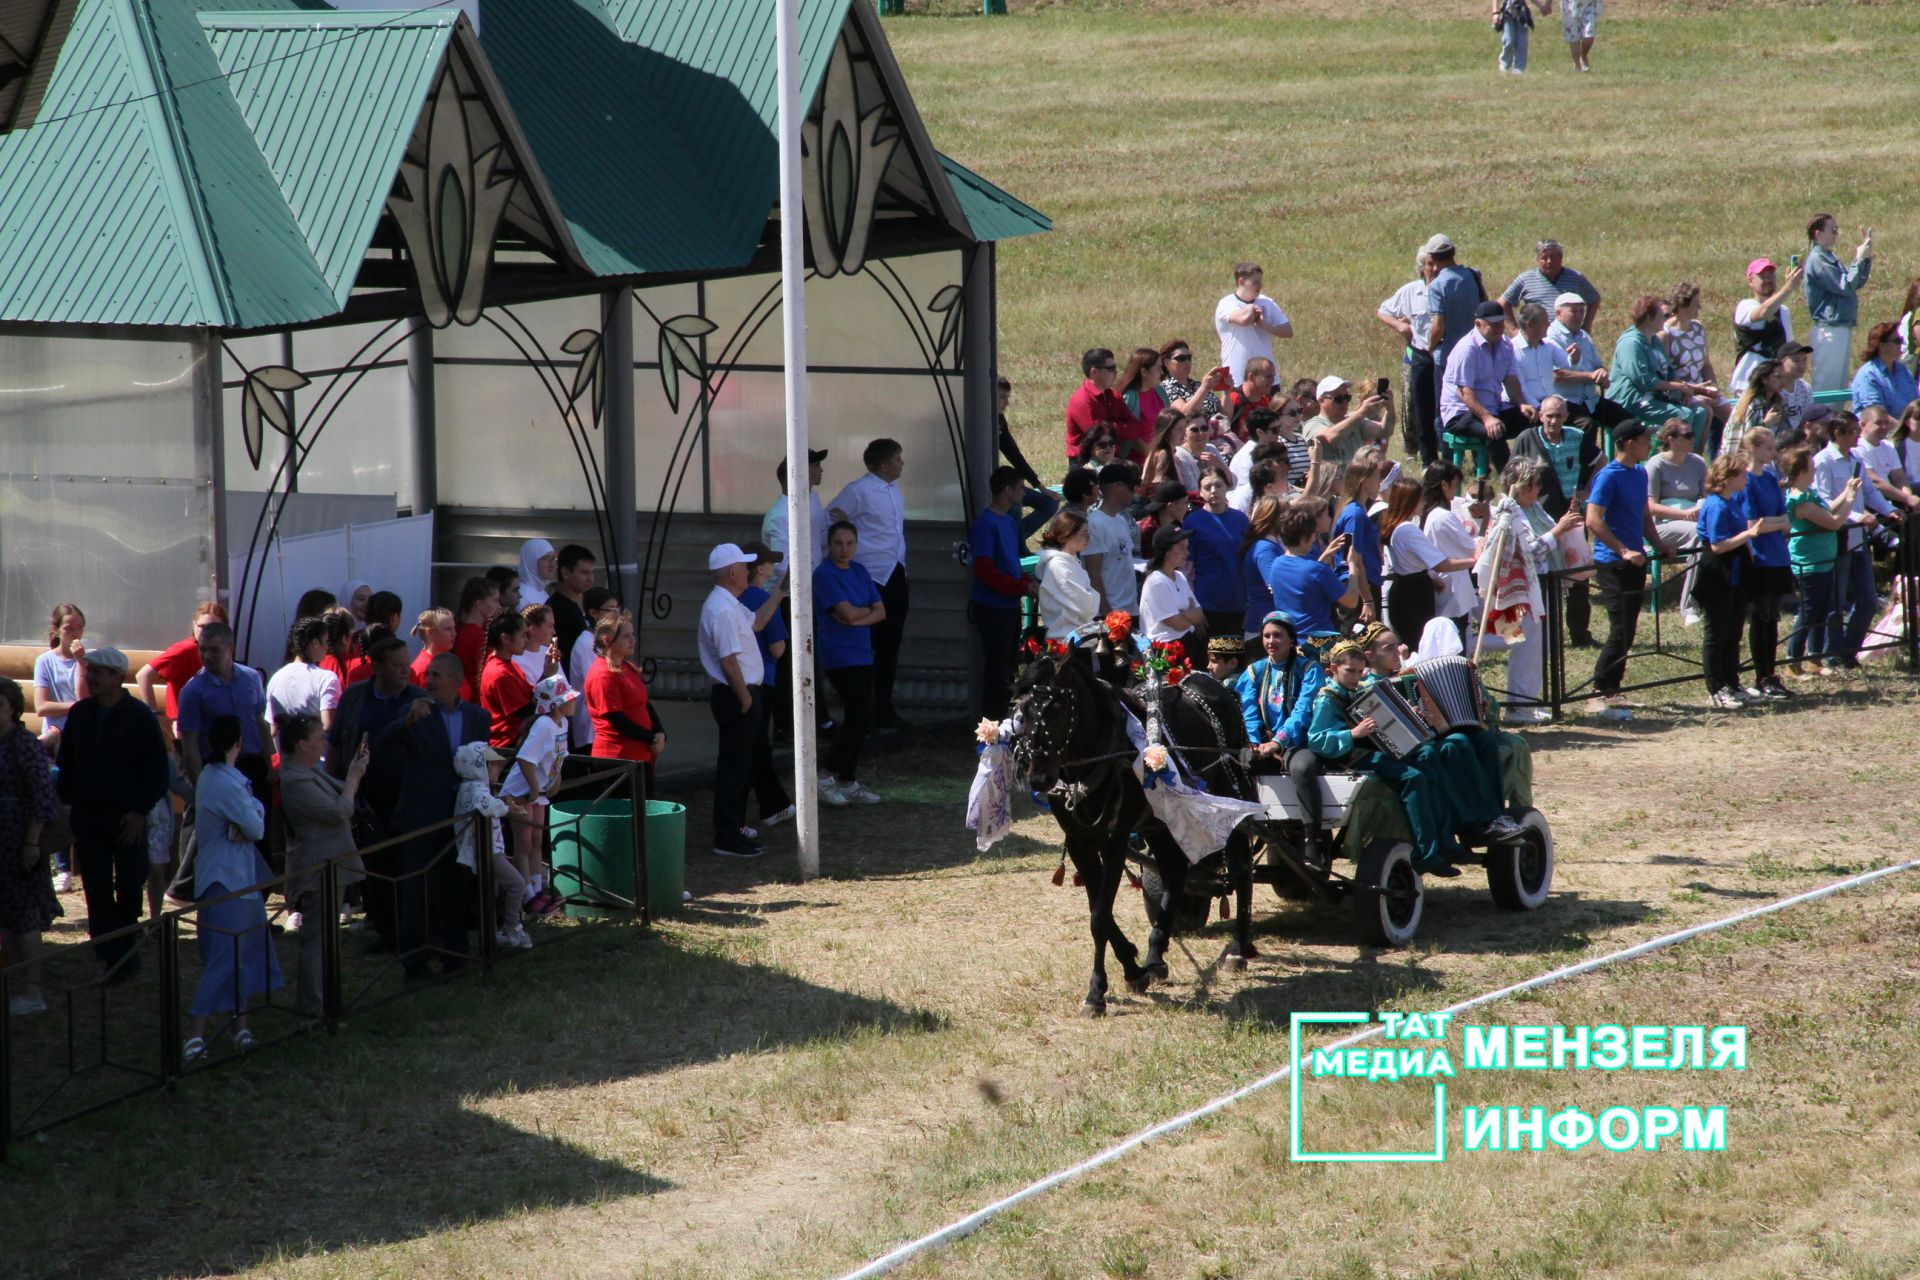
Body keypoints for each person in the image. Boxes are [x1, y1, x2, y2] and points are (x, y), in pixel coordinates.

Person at [54, 647, 168, 980]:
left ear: (118, 677)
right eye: (91, 671)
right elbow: (68, 765)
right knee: (96, 885)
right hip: (89, 816)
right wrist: (68, 806)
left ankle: (126, 947)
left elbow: (157, 772)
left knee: (131, 883)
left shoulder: (139, 717)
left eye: (100, 672)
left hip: (128, 816)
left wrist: (139, 812)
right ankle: (108, 952)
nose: (92, 677)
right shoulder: (81, 714)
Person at [181, 715, 279, 1062]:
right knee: (224, 958)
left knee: (244, 956)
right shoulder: (224, 781)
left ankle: (241, 1025)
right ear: (238, 742)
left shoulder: (217, 777)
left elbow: (249, 825)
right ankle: (195, 1034)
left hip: (239, 878)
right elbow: (255, 827)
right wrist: (251, 813)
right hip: (226, 882)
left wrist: (247, 817)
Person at [384, 653, 488, 977]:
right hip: (421, 815)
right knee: (416, 890)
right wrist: (406, 722)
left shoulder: (478, 718)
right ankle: (414, 960)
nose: (428, 681)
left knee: (454, 888)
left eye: (437, 675)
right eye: (427, 675)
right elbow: (381, 746)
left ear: (456, 681)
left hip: (460, 817)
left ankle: (454, 956)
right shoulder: (415, 712)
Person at [328, 634, 421, 946]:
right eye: (398, 665)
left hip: (406, 794)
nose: (405, 670)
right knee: (373, 860)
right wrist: (336, 785)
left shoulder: (417, 700)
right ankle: (381, 924)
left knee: (404, 859)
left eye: (407, 663)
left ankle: (405, 927)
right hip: (365, 796)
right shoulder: (356, 697)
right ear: (377, 667)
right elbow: (338, 741)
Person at [278, 712, 365, 1017]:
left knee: (327, 938)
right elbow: (339, 810)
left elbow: (340, 793)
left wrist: (355, 771)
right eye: (318, 738)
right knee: (316, 940)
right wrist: (354, 777)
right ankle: (311, 1010)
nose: (323, 743)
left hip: (332, 866)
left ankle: (326, 1002)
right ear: (302, 744)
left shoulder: (309, 771)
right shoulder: (294, 779)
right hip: (319, 869)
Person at [1585, 421, 1671, 718]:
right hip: (1612, 562)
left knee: (1629, 628)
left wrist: (1658, 545)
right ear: (1629, 443)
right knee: (1620, 627)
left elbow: (1644, 515)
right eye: (1646, 439)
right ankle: (1598, 690)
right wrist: (1622, 550)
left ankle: (1613, 688)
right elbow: (1593, 519)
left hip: (1636, 560)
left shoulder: (1638, 473)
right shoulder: (1608, 476)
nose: (1651, 443)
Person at [829, 438, 912, 731]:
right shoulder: (858, 491)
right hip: (871, 574)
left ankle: (883, 705)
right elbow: (832, 517)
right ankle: (863, 707)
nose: (901, 464)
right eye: (897, 459)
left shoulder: (893, 490)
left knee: (891, 643)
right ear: (883, 464)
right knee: (870, 642)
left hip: (895, 571)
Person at [1237, 612, 1329, 861]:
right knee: (1238, 763)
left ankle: (1313, 837)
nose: (1270, 641)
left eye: (1277, 635)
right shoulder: (1254, 672)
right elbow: (1249, 712)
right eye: (1266, 636)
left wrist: (1279, 741)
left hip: (1299, 742)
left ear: (1291, 639)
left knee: (1302, 767)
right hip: (1264, 743)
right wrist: (1255, 743)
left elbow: (1304, 710)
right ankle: (1241, 832)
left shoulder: (1308, 669)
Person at [1510, 396, 1600, 644]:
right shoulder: (1526, 439)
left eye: (1558, 416)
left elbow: (1599, 461)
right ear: (1540, 415)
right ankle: (1545, 635)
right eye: (1549, 415)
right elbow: (1511, 476)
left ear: (1566, 416)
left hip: (1571, 514)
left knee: (1578, 571)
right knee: (1543, 574)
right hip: (1539, 516)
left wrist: (1587, 489)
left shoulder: (1575, 436)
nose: (1553, 421)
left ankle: (1580, 632)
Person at [1498, 459, 1580, 720]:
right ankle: (1519, 706)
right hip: (1519, 589)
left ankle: (1529, 703)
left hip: (1540, 586)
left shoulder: (1534, 508)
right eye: (1534, 484)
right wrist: (1558, 531)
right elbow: (1529, 552)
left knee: (1536, 647)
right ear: (1520, 487)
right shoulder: (1509, 512)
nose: (1539, 489)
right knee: (1524, 646)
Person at [1812, 414, 1895, 668]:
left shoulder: (1857, 458)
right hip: (1838, 536)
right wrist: (1859, 516)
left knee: (1868, 599)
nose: (1857, 435)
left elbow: (1868, 491)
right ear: (1837, 433)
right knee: (1835, 602)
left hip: (1859, 539)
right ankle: (1833, 654)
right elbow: (1823, 501)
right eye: (1851, 431)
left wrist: (1888, 509)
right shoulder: (1822, 462)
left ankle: (1849, 649)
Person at [812, 524, 884, 809]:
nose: (844, 548)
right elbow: (847, 612)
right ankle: (826, 773)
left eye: (850, 543)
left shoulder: (860, 571)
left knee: (863, 716)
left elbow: (881, 612)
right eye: (839, 543)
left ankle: (847, 779)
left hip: (862, 653)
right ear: (829, 544)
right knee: (857, 713)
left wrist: (857, 618)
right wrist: (860, 614)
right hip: (838, 655)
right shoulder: (824, 574)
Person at [0, 676, 59, 1016]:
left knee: (24, 915)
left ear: (13, 709)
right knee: (5, 915)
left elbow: (42, 794)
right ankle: (16, 982)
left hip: (20, 837)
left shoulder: (23, 742)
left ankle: (34, 990)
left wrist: (32, 842)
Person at [500, 675, 577, 918]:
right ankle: (527, 895)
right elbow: (525, 757)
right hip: (520, 793)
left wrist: (555, 782)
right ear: (554, 704)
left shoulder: (562, 723)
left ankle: (537, 889)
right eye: (568, 698)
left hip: (540, 791)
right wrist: (534, 787)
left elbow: (559, 757)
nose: (573, 702)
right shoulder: (543, 725)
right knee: (523, 843)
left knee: (535, 840)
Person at [1782, 445, 1857, 678]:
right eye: (1812, 467)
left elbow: (1827, 510)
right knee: (1808, 613)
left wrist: (1845, 493)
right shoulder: (1800, 501)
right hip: (1810, 563)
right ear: (1802, 471)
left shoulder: (1810, 496)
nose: (1815, 471)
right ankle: (1794, 662)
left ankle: (1814, 658)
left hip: (1823, 560)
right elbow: (1833, 522)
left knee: (1821, 611)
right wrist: (1852, 501)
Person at [968, 464, 1030, 724]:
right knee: (997, 667)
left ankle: (1003, 720)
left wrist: (1024, 582)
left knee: (1008, 665)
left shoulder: (1008, 520)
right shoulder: (986, 522)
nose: (1023, 494)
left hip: (1009, 604)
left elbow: (1011, 561)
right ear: (1007, 491)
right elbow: (984, 568)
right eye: (1019, 488)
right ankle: (991, 724)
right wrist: (1018, 587)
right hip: (992, 607)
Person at [1439, 301, 1534, 470]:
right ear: (1478, 324)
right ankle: (1510, 482)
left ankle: (1532, 474)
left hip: (1492, 408)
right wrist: (1487, 418)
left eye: (1500, 323)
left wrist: (1522, 404)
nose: (1498, 328)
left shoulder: (1505, 344)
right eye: (1493, 325)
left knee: (1532, 421)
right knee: (1494, 432)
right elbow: (1464, 392)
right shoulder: (1466, 349)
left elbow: (1510, 380)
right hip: (1461, 413)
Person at [175, 622, 272, 784]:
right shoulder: (192, 691)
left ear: (231, 648)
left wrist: (269, 764)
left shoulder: (251, 678)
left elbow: (259, 722)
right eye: (202, 649)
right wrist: (200, 786)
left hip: (253, 766)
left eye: (214, 650)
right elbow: (189, 743)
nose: (206, 656)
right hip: (217, 771)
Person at [735, 547, 790, 829]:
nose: (773, 568)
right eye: (770, 563)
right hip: (763, 679)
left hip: (738, 679)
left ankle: (774, 803)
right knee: (756, 747)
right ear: (760, 568)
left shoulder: (734, 599)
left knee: (751, 746)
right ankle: (769, 806)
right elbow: (778, 648)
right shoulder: (763, 599)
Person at [1608, 295, 1714, 440]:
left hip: (1655, 397)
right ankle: (1661, 457)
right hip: (1632, 400)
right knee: (1683, 415)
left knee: (1700, 412)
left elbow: (1669, 373)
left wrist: (1687, 389)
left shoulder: (1654, 340)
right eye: (1663, 316)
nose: (1666, 320)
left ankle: (1688, 457)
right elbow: (1644, 381)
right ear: (1649, 318)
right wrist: (1678, 387)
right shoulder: (1631, 343)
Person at [1738, 429, 1794, 701]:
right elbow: (1753, 526)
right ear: (1753, 448)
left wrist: (1772, 524)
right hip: (1759, 557)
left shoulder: (1770, 478)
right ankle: (1762, 675)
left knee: (1772, 617)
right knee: (1761, 617)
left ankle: (1770, 673)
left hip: (1778, 555)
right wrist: (1773, 524)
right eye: (1769, 448)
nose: (1773, 453)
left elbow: (1784, 520)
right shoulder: (1746, 480)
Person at [585, 611, 667, 796]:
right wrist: (650, 738)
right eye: (626, 636)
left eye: (632, 635)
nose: (632, 640)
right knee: (624, 817)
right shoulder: (603, 674)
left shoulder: (627, 666)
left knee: (644, 814)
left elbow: (645, 704)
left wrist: (660, 732)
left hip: (639, 756)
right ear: (607, 640)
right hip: (617, 759)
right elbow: (616, 718)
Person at [1381, 478, 1470, 648]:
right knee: (1419, 644)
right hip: (1413, 595)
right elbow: (1442, 565)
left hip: (1408, 587)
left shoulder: (1397, 526)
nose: (1424, 503)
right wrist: (1474, 560)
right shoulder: (1407, 529)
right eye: (1420, 499)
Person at [1267, 501, 1364, 643]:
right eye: (1313, 534)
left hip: (1290, 642)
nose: (1314, 539)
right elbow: (1351, 601)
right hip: (1320, 644)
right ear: (1304, 538)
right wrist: (1353, 565)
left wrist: (1325, 556)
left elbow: (1305, 580)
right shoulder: (1317, 570)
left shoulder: (1276, 565)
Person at [1379, 249, 1441, 463]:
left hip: (1447, 356)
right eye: (1429, 264)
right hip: (1421, 355)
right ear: (1421, 268)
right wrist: (1399, 325)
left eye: (1437, 264)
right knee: (1419, 407)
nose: (1434, 269)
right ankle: (1426, 458)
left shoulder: (1451, 290)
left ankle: (1448, 451)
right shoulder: (1411, 292)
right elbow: (1383, 310)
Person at [1646, 417, 1709, 622]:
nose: (1693, 439)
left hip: (1695, 520)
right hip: (1663, 525)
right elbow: (1650, 506)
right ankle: (1689, 606)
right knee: (1700, 535)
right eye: (1687, 435)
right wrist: (1683, 514)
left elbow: (1708, 495)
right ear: (1671, 439)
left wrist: (1700, 506)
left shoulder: (1698, 462)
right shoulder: (1655, 465)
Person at [1803, 214, 1872, 394]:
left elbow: (1855, 282)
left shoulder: (1829, 256)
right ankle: (1821, 421)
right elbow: (1845, 286)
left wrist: (1865, 258)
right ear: (1818, 233)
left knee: (1840, 387)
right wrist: (1858, 258)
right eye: (1832, 230)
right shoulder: (1818, 260)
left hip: (1841, 327)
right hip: (1829, 330)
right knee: (1828, 386)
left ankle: (1835, 421)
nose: (1836, 234)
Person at [136, 601, 228, 735]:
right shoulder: (186, 649)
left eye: (214, 627)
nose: (207, 632)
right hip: (186, 725)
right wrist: (154, 715)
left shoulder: (223, 650)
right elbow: (143, 675)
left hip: (211, 722)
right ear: (194, 626)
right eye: (202, 626)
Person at [1183, 468, 1251, 640]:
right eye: (1207, 487)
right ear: (1200, 491)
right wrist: (1193, 607)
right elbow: (1186, 571)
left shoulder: (1240, 519)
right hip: (1208, 604)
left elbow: (1249, 562)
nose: (1213, 491)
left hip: (1238, 602)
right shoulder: (1193, 522)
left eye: (1218, 485)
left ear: (1226, 487)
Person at [994, 378, 1061, 541]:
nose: (1007, 403)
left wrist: (1039, 486)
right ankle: (1013, 544)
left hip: (999, 483)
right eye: (1003, 397)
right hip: (985, 487)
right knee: (1015, 508)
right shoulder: (975, 420)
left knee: (1049, 503)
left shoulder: (999, 420)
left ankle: (1015, 540)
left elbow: (1014, 455)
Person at [1421, 462, 1481, 641]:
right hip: (1453, 592)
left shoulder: (1430, 514)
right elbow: (1472, 549)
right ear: (1444, 485)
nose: (1456, 491)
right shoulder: (1443, 517)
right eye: (1454, 485)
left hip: (1445, 588)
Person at [1729, 258, 1803, 395]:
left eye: (1771, 275)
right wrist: (1789, 287)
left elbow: (1788, 349)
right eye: (1763, 276)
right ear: (1750, 281)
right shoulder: (1745, 306)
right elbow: (1763, 312)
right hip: (1749, 382)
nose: (1768, 280)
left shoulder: (1783, 311)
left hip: (1777, 383)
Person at [479, 610, 549, 752]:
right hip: (508, 746)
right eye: (523, 636)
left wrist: (547, 673)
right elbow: (526, 711)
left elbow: (532, 694)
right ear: (505, 638)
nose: (527, 640)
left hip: (517, 741)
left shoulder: (510, 665)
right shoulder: (500, 673)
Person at [266, 617, 341, 747]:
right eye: (326, 641)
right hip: (318, 762)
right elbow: (329, 725)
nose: (327, 647)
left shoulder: (276, 678)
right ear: (315, 643)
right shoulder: (326, 678)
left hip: (286, 761)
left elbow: (272, 729)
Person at [1302, 376, 1387, 488]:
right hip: (1331, 490)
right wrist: (1361, 413)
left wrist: (1388, 408)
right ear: (1321, 400)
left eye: (1347, 397)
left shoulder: (1354, 419)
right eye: (1338, 399)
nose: (1344, 402)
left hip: (1357, 486)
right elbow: (1329, 437)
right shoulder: (1313, 424)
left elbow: (1384, 431)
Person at [1425, 234, 1485, 392]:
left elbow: (1438, 326)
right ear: (1453, 252)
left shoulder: (1437, 285)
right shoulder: (1473, 275)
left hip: (1448, 356)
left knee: (1446, 406)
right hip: (1476, 350)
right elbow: (1485, 305)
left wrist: (1430, 348)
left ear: (1432, 257)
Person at [1215, 262, 1292, 382]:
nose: (1260, 286)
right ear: (1241, 282)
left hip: (1267, 379)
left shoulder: (1267, 302)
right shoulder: (1227, 303)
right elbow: (1243, 320)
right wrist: (1251, 308)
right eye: (1255, 282)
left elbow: (1288, 331)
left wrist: (1265, 326)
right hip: (1237, 378)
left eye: (1260, 281)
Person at [1065, 348, 1144, 464]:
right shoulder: (1082, 400)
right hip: (1084, 462)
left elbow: (1136, 428)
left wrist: (1110, 426)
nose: (1116, 373)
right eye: (1110, 369)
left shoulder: (1114, 396)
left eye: (1115, 368)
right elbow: (1098, 436)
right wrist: (1117, 428)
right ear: (1094, 372)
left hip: (1111, 458)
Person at [1502, 239, 1603, 329]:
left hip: (1568, 338)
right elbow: (1503, 303)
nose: (1549, 261)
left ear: (1561, 258)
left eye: (1553, 257)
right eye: (1544, 258)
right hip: (1538, 339)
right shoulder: (1525, 279)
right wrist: (1514, 330)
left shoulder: (1575, 278)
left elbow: (1594, 299)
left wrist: (1586, 326)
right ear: (1537, 260)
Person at [1084, 463, 1141, 618]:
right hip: (1111, 615)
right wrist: (1107, 612)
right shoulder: (1094, 524)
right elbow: (1093, 572)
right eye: (1131, 487)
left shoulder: (1121, 520)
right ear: (1116, 488)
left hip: (1130, 610)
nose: (1135, 493)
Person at [1332, 458, 1385, 622]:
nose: (1380, 481)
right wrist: (1368, 600)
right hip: (1360, 586)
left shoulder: (1358, 509)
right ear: (1364, 482)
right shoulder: (1354, 515)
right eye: (1376, 477)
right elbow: (1355, 560)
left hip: (1363, 583)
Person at [1034, 511, 1100, 641]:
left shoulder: (1072, 561)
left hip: (1081, 636)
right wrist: (1093, 596)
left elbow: (1088, 603)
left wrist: (1091, 596)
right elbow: (1086, 607)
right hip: (1066, 641)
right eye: (1083, 533)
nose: (1088, 537)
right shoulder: (1058, 567)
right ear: (1065, 537)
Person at [762, 449, 830, 570]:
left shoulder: (814, 498)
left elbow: (821, 537)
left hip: (814, 581)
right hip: (789, 587)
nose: (821, 470)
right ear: (802, 471)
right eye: (816, 465)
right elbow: (781, 566)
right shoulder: (780, 516)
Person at [1139, 526, 1206, 645]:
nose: (1187, 553)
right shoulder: (1156, 582)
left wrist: (1183, 614)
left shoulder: (1179, 576)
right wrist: (1190, 613)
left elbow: (1199, 613)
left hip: (1186, 642)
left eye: (1187, 547)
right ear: (1166, 552)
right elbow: (1178, 624)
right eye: (1181, 548)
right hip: (1164, 651)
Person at [1849, 322, 1917, 418]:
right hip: (1884, 430)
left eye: (1901, 339)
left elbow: (1916, 401)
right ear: (1882, 347)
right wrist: (1904, 429)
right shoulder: (1868, 375)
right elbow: (1877, 416)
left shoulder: (1902, 370)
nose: (1901, 344)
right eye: (1897, 341)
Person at [547, 544, 597, 670]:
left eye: (592, 572)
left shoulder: (584, 603)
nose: (590, 579)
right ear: (565, 573)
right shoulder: (558, 609)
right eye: (584, 573)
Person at [451, 576, 498, 702]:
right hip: (473, 699)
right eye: (495, 601)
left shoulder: (458, 628)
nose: (498, 606)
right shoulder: (477, 636)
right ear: (479, 604)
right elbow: (484, 674)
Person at [1158, 339, 1227, 418]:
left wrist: (1226, 392)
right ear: (1166, 363)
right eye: (1181, 359)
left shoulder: (1197, 385)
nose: (1187, 362)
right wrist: (1204, 388)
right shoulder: (1165, 388)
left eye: (1189, 357)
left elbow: (1226, 416)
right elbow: (1184, 414)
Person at [1493, 0, 1545, 75]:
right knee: (1509, 40)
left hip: (1522, 14)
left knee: (1522, 42)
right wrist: (1495, 13)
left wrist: (1541, 6)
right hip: (1508, 12)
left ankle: (1519, 69)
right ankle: (1504, 64)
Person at [512, 604, 557, 686]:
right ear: (533, 629)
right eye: (550, 626)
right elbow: (534, 696)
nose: (554, 632)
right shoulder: (518, 661)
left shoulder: (548, 652)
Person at [409, 607, 455, 687]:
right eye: (448, 629)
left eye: (454, 628)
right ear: (430, 633)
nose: (454, 633)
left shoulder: (444, 661)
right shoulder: (426, 669)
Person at [1559, 0, 1600, 70]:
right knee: (1574, 35)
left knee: (1590, 34)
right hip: (1570, 4)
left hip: (1589, 4)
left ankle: (1583, 56)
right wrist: (1548, 3)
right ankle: (1577, 64)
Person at [517, 538, 556, 608]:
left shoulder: (542, 593)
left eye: (553, 559)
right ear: (531, 562)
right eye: (546, 559)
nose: (552, 564)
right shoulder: (522, 596)